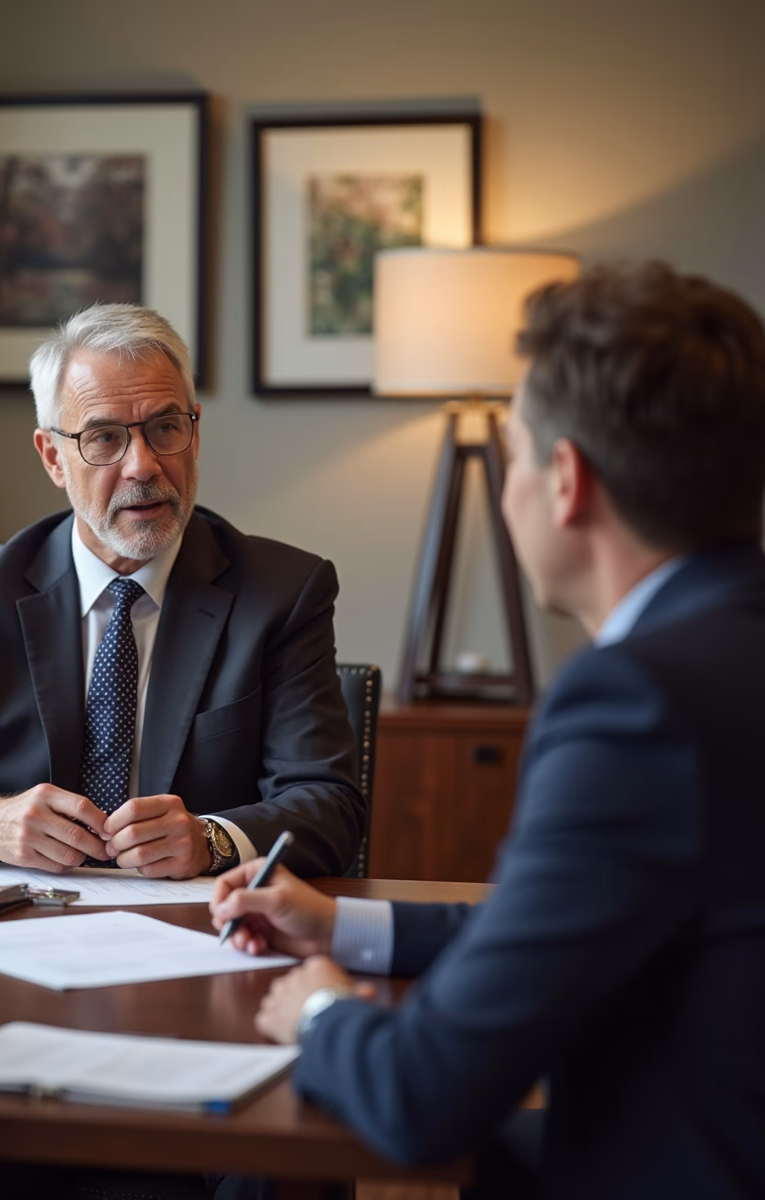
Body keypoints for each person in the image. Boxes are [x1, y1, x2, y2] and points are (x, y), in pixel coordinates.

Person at [211, 261, 765, 1199]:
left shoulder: (635, 707)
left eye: (513, 454)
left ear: (565, 484)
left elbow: (423, 1096)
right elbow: (558, 926)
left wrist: (321, 1015)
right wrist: (342, 924)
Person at [0, 303, 363, 880]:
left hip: (198, 931)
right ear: (53, 457)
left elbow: (330, 808)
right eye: (105, 438)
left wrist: (212, 840)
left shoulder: (280, 593)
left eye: (165, 428)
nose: (143, 465)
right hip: (18, 935)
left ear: (195, 432)